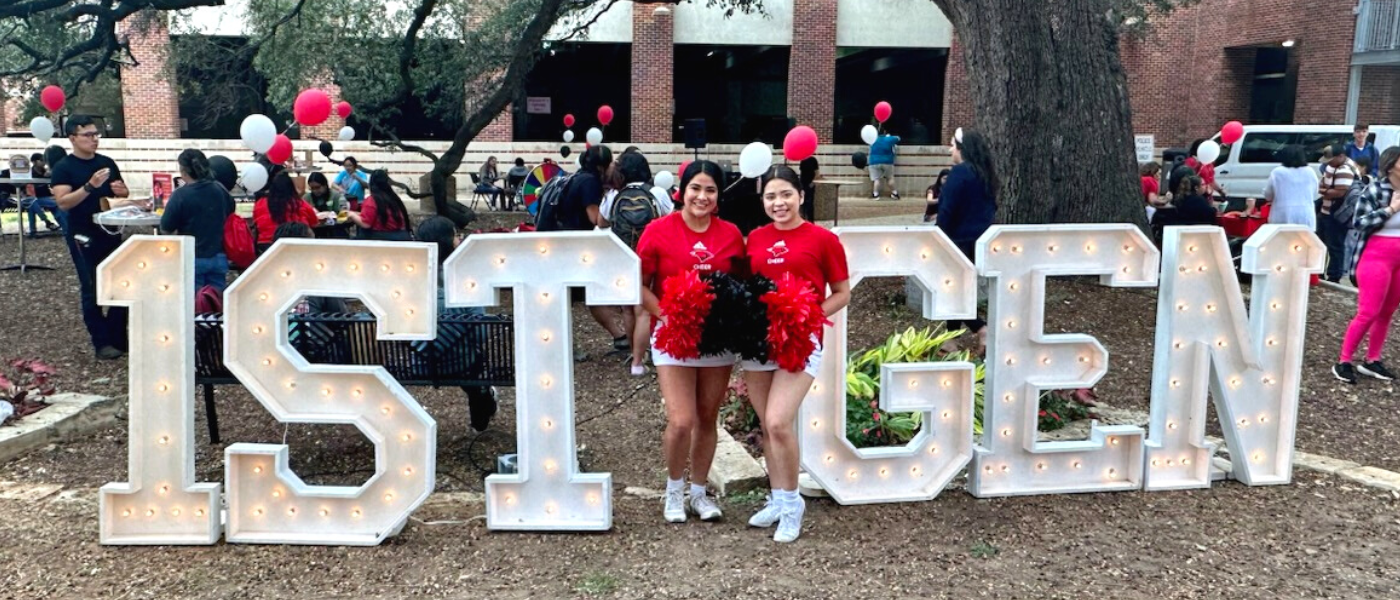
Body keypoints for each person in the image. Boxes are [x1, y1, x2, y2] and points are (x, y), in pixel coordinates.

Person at [742, 165, 850, 543]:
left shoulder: (823, 239)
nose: (779, 202)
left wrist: (805, 315)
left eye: (786, 194)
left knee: (777, 422)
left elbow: (841, 292)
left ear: (802, 196)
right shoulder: (754, 238)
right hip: (758, 341)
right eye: (771, 196)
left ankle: (792, 504)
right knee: (765, 424)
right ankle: (776, 497)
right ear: (763, 202)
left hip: (800, 341)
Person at [636, 160, 745, 524]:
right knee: (681, 420)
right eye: (695, 188)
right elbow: (638, 285)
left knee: (706, 418)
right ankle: (674, 490)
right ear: (681, 190)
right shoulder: (656, 231)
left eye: (710, 190)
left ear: (718, 196)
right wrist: (666, 314)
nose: (702, 196)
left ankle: (699, 493)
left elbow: (740, 285)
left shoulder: (731, 234)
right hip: (673, 337)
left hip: (716, 342)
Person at [47, 115, 133, 360]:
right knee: (91, 285)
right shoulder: (64, 167)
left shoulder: (107, 162)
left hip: (111, 230)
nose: (94, 139)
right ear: (73, 138)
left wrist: (122, 191)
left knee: (120, 284)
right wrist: (89, 186)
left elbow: (121, 192)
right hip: (82, 232)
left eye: (96, 134)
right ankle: (101, 341)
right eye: (88, 135)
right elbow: (63, 203)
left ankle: (118, 338)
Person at [416, 216, 499, 431]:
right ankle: (480, 417)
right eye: (456, 235)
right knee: (472, 362)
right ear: (448, 242)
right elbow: (480, 333)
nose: (460, 238)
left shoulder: (411, 282)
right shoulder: (466, 280)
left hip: (418, 363)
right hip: (462, 364)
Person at [600, 151, 672, 376]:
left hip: (622, 255)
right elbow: (671, 218)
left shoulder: (614, 195)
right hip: (650, 254)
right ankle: (640, 361)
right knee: (643, 311)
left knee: (627, 310)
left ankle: (633, 353)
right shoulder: (657, 192)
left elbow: (602, 222)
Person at [1333, 146, 1400, 385]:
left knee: (1387, 311)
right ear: (1391, 165)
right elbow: (1359, 222)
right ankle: (1343, 361)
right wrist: (1390, 209)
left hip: (1398, 261)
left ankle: (1372, 360)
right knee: (1369, 311)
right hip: (1376, 257)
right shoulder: (1375, 189)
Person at [561, 145, 631, 353]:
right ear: (603, 165)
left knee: (588, 294)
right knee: (582, 294)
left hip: (567, 244)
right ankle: (567, 346)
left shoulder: (576, 177)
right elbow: (595, 218)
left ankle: (619, 337)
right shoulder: (590, 182)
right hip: (577, 247)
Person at [937, 130, 998, 349]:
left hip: (957, 240)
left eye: (953, 145)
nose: (950, 149)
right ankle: (950, 339)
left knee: (951, 288)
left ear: (962, 148)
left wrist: (938, 237)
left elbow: (947, 210)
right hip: (980, 240)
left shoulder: (959, 173)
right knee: (957, 287)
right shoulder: (985, 174)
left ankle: (980, 329)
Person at [159, 149, 236, 291]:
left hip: (193, 258)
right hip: (219, 255)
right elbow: (231, 211)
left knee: (194, 306)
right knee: (216, 305)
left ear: (183, 171)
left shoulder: (180, 195)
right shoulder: (220, 190)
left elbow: (165, 227)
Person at [273, 222, 349, 314]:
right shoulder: (319, 277)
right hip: (313, 327)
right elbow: (339, 313)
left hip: (279, 327)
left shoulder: (267, 278)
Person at [1319, 144, 1361, 283]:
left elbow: (1339, 192)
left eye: (1331, 159)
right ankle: (1320, 271)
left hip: (1337, 212)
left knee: (1335, 245)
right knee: (1321, 243)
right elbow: (1322, 185)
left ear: (1341, 156)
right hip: (1326, 210)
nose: (1329, 162)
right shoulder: (1332, 166)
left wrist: (1326, 191)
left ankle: (1334, 275)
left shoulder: (1346, 169)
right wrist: (1327, 190)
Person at [253, 172, 320, 246]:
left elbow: (256, 222)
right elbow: (314, 223)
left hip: (265, 245)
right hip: (296, 245)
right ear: (292, 187)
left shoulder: (260, 203)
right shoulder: (300, 203)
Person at [1264, 145, 1321, 228]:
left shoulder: (1277, 172)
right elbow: (1315, 193)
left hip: (1283, 213)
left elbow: (1268, 195)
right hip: (1305, 213)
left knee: (1283, 238)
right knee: (1304, 239)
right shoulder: (1310, 171)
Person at [348, 170, 413, 240]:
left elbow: (366, 224)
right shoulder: (394, 198)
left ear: (371, 184)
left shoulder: (372, 200)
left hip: (382, 238)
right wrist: (358, 214)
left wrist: (351, 214)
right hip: (402, 236)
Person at [21, 153, 61, 234]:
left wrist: (50, 175)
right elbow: (23, 189)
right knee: (32, 203)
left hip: (45, 197)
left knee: (32, 205)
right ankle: (47, 222)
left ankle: (34, 231)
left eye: (45, 161)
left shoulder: (46, 172)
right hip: (34, 198)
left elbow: (55, 184)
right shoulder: (29, 173)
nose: (44, 163)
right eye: (42, 160)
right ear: (34, 162)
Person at [868, 131, 901, 199]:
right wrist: (889, 137)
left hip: (874, 161)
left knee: (876, 179)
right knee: (890, 178)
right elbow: (898, 138)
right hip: (887, 161)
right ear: (885, 132)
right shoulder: (889, 139)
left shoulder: (872, 139)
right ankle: (895, 193)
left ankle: (875, 194)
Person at [799, 156, 820, 221]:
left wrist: (813, 182)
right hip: (803, 184)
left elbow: (817, 173)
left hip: (810, 184)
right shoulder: (802, 160)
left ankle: (810, 220)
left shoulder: (813, 160)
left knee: (810, 204)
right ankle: (803, 219)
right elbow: (801, 173)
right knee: (803, 203)